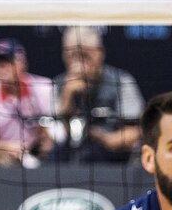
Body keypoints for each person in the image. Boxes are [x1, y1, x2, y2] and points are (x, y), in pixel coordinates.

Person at [52, 26, 144, 163]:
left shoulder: (120, 81)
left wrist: (105, 139)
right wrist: (68, 95)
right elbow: (56, 134)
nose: (78, 62)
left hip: (113, 157)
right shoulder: (57, 83)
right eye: (72, 55)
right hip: (68, 158)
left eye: (84, 55)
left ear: (99, 53)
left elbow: (134, 131)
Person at [0, 38, 53, 168]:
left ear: (23, 63)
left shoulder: (44, 87)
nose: (2, 67)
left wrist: (33, 151)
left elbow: (50, 135)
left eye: (8, 61)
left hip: (38, 152)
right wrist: (11, 148)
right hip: (3, 153)